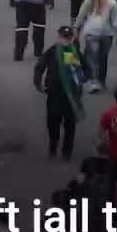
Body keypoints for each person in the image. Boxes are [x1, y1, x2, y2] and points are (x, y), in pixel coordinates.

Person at [34, 26, 87, 160]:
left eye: (68, 38)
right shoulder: (53, 51)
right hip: (54, 93)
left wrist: (82, 79)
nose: (66, 40)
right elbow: (40, 66)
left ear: (72, 38)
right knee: (53, 122)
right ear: (59, 37)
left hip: (71, 95)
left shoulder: (76, 52)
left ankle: (67, 151)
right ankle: (53, 145)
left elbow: (87, 68)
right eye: (64, 37)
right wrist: (38, 82)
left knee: (70, 125)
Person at [74, 0, 117, 94]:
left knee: (92, 59)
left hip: (91, 33)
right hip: (107, 34)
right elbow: (116, 20)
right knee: (103, 58)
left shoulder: (88, 1)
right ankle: (101, 82)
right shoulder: (111, 2)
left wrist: (76, 32)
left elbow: (80, 17)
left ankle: (94, 82)